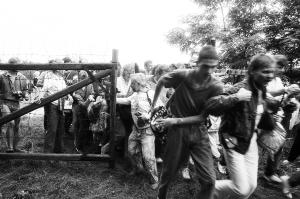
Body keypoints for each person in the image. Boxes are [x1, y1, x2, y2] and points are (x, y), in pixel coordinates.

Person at [152, 45, 223, 199]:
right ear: (198, 63)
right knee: (169, 172)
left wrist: (175, 121)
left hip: (198, 131)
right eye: (206, 66)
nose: (210, 71)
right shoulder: (183, 75)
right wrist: (154, 105)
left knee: (210, 181)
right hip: (177, 133)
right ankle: (160, 196)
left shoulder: (216, 86)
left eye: (213, 67)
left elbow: (202, 117)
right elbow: (161, 82)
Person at [206, 53, 277, 199]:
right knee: (242, 189)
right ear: (252, 71)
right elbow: (210, 105)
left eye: (271, 71)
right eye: (265, 71)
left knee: (251, 186)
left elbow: (258, 116)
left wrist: (271, 116)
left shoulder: (261, 89)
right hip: (232, 139)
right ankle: (206, 191)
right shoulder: (239, 88)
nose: (270, 75)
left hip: (250, 140)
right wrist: (236, 97)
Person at [116, 73, 163, 190]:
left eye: (132, 83)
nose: (131, 85)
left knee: (148, 157)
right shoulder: (135, 95)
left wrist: (148, 115)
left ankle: (154, 179)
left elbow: (161, 108)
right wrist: (112, 98)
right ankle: (138, 168)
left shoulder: (150, 93)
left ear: (138, 83)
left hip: (147, 132)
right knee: (131, 151)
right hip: (135, 130)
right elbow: (126, 100)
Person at [263, 55, 300, 183]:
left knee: (279, 142)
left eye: (282, 67)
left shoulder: (277, 80)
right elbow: (265, 94)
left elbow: (279, 101)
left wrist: (289, 99)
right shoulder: (264, 77)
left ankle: (270, 172)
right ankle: (226, 163)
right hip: (260, 115)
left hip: (273, 115)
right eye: (279, 66)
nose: (281, 69)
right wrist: (285, 90)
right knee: (252, 143)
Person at [37, 59, 67, 153]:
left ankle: (59, 150)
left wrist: (69, 96)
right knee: (52, 128)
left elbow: (64, 88)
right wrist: (40, 96)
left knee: (61, 128)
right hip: (52, 104)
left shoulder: (61, 76)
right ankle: (48, 152)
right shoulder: (48, 75)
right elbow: (45, 88)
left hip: (61, 103)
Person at [0, 57, 28, 153]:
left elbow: (25, 92)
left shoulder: (23, 77)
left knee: (16, 125)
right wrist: (5, 94)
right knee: (10, 123)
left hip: (16, 103)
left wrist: (23, 94)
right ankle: (10, 147)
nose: (20, 66)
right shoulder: (2, 76)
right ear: (11, 64)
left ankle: (15, 147)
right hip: (4, 103)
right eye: (17, 64)